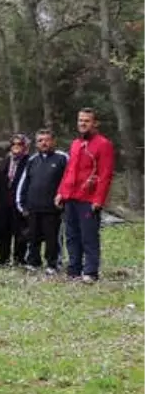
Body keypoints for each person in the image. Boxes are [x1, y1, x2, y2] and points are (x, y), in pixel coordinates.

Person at [57, 108, 115, 283]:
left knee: (88, 236)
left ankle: (90, 271)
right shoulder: (75, 144)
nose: (83, 123)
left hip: (88, 199)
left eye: (87, 121)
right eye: (80, 120)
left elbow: (105, 175)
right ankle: (74, 269)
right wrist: (61, 191)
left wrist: (99, 199)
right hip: (71, 196)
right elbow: (69, 170)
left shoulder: (103, 144)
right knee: (71, 235)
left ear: (95, 123)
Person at [17, 129, 68, 274]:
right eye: (40, 140)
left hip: (53, 208)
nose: (43, 143)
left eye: (46, 139)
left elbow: (68, 180)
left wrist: (64, 200)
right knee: (33, 237)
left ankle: (53, 264)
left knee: (52, 238)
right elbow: (24, 182)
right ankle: (33, 262)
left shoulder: (62, 158)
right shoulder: (33, 160)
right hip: (33, 207)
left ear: (53, 141)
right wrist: (22, 203)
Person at [0, 134, 29, 266]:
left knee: (20, 233)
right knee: (2, 231)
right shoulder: (6, 160)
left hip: (19, 203)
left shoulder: (29, 161)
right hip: (3, 203)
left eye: (19, 144)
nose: (16, 146)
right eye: (14, 144)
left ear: (25, 147)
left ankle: (19, 259)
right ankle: (3, 259)